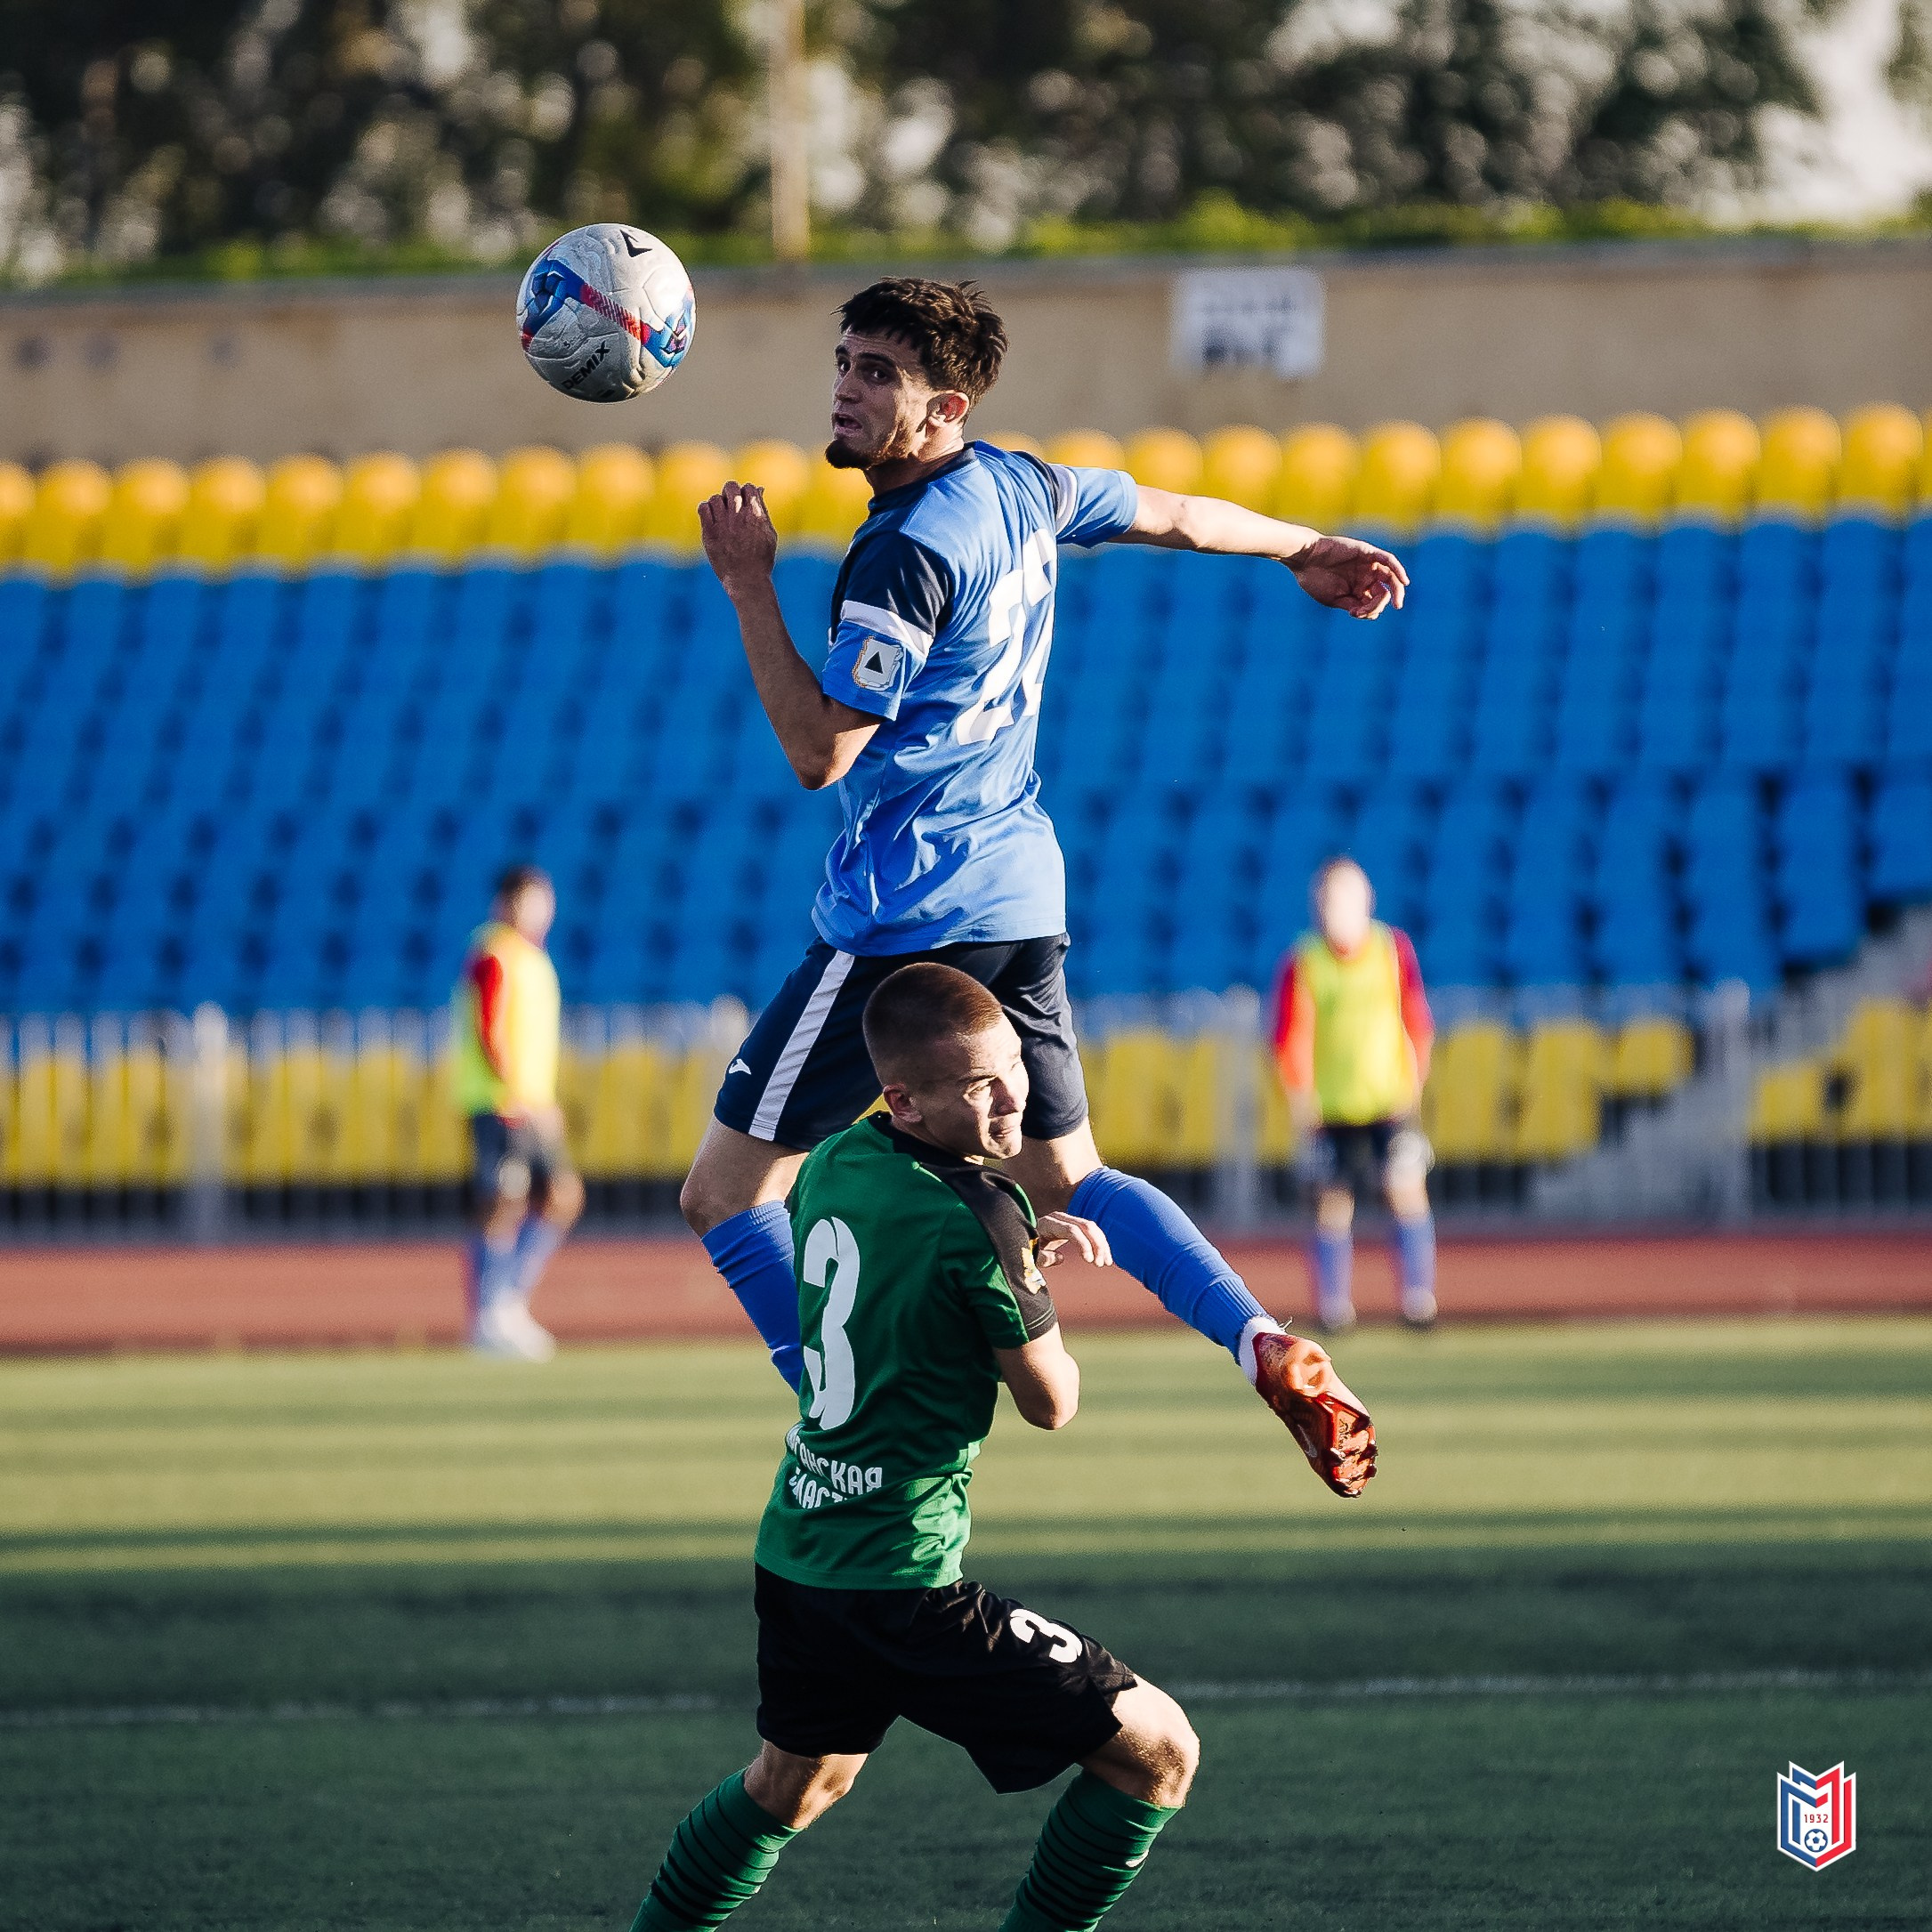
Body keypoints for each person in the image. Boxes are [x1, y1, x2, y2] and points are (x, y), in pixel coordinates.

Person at [681, 274, 1408, 1475]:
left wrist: (747, 582)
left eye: (880, 375)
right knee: (1073, 1173)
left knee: (722, 1194)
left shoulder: (903, 552)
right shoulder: (1018, 483)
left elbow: (820, 752)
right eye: (846, 361)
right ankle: (1259, 1336)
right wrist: (1301, 546)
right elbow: (1171, 512)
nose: (848, 389)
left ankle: (840, 1411)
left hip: (899, 919)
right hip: (1021, 896)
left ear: (942, 405)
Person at [623, 965, 1372, 1932]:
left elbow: (895, 1274)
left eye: (1015, 1064)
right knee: (1159, 1750)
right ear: (905, 1096)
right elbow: (1051, 1402)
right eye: (980, 1082)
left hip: (798, 1551)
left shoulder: (840, 1157)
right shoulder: (982, 1220)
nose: (1014, 1093)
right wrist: (1024, 1270)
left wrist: (1010, 1252)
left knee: (791, 1783)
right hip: (904, 1586)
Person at [1271, 857, 1438, 1332]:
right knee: (1332, 1202)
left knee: (1406, 1192)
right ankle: (1334, 1307)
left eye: (1341, 899)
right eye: (1323, 900)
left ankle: (1417, 1300)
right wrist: (1301, 1101)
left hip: (1390, 1101)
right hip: (1331, 1108)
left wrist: (1415, 1084)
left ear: (1366, 902)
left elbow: (1416, 1020)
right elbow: (1289, 1038)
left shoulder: (1392, 949)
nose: (1331, 910)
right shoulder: (1304, 961)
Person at [450, 863, 583, 1361]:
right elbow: (490, 1032)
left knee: (559, 1196)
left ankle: (508, 1301)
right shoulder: (494, 953)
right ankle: (487, 1313)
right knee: (502, 1202)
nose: (544, 911)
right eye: (534, 900)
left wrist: (543, 1099)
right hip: (500, 1102)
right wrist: (520, 1095)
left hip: (530, 1103)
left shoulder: (532, 958)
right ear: (508, 902)